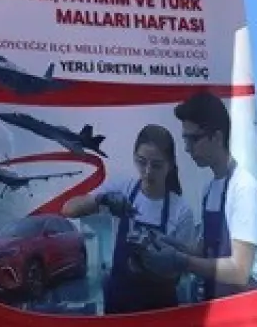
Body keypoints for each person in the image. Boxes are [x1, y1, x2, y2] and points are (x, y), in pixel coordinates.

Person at [62, 124, 197, 314]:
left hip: (160, 310)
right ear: (134, 157)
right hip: (119, 305)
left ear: (170, 165)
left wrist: (155, 266)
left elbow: (182, 271)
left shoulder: (181, 211)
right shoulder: (123, 190)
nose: (148, 171)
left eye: (156, 165)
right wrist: (102, 199)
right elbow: (68, 209)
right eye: (141, 162)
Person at [167, 91, 257, 301]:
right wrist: (167, 244)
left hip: (245, 308)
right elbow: (203, 251)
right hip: (219, 304)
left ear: (217, 137)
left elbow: (240, 270)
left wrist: (181, 261)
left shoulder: (244, 188)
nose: (187, 148)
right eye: (185, 139)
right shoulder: (209, 189)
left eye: (194, 139)